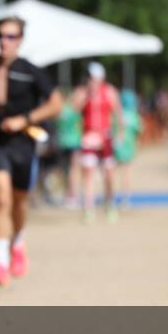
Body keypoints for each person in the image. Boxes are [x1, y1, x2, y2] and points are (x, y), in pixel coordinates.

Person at [0, 17, 62, 286]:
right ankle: (1, 265)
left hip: (25, 146)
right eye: (2, 35)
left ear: (21, 39)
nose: (6, 41)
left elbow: (56, 104)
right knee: (2, 200)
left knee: (19, 201)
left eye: (12, 36)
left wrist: (25, 119)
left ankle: (18, 242)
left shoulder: (30, 71)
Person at [72, 62, 124, 223]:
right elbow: (73, 110)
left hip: (106, 138)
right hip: (88, 138)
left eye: (94, 78)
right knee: (88, 174)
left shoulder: (110, 92)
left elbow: (119, 115)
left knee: (109, 174)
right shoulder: (82, 92)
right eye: (89, 78)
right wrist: (85, 96)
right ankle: (89, 208)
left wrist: (119, 135)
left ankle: (110, 204)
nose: (91, 81)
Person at [113, 89, 143, 207]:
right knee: (126, 172)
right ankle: (126, 198)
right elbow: (138, 130)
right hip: (129, 145)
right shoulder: (134, 115)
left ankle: (111, 195)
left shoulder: (116, 114)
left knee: (113, 171)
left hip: (116, 145)